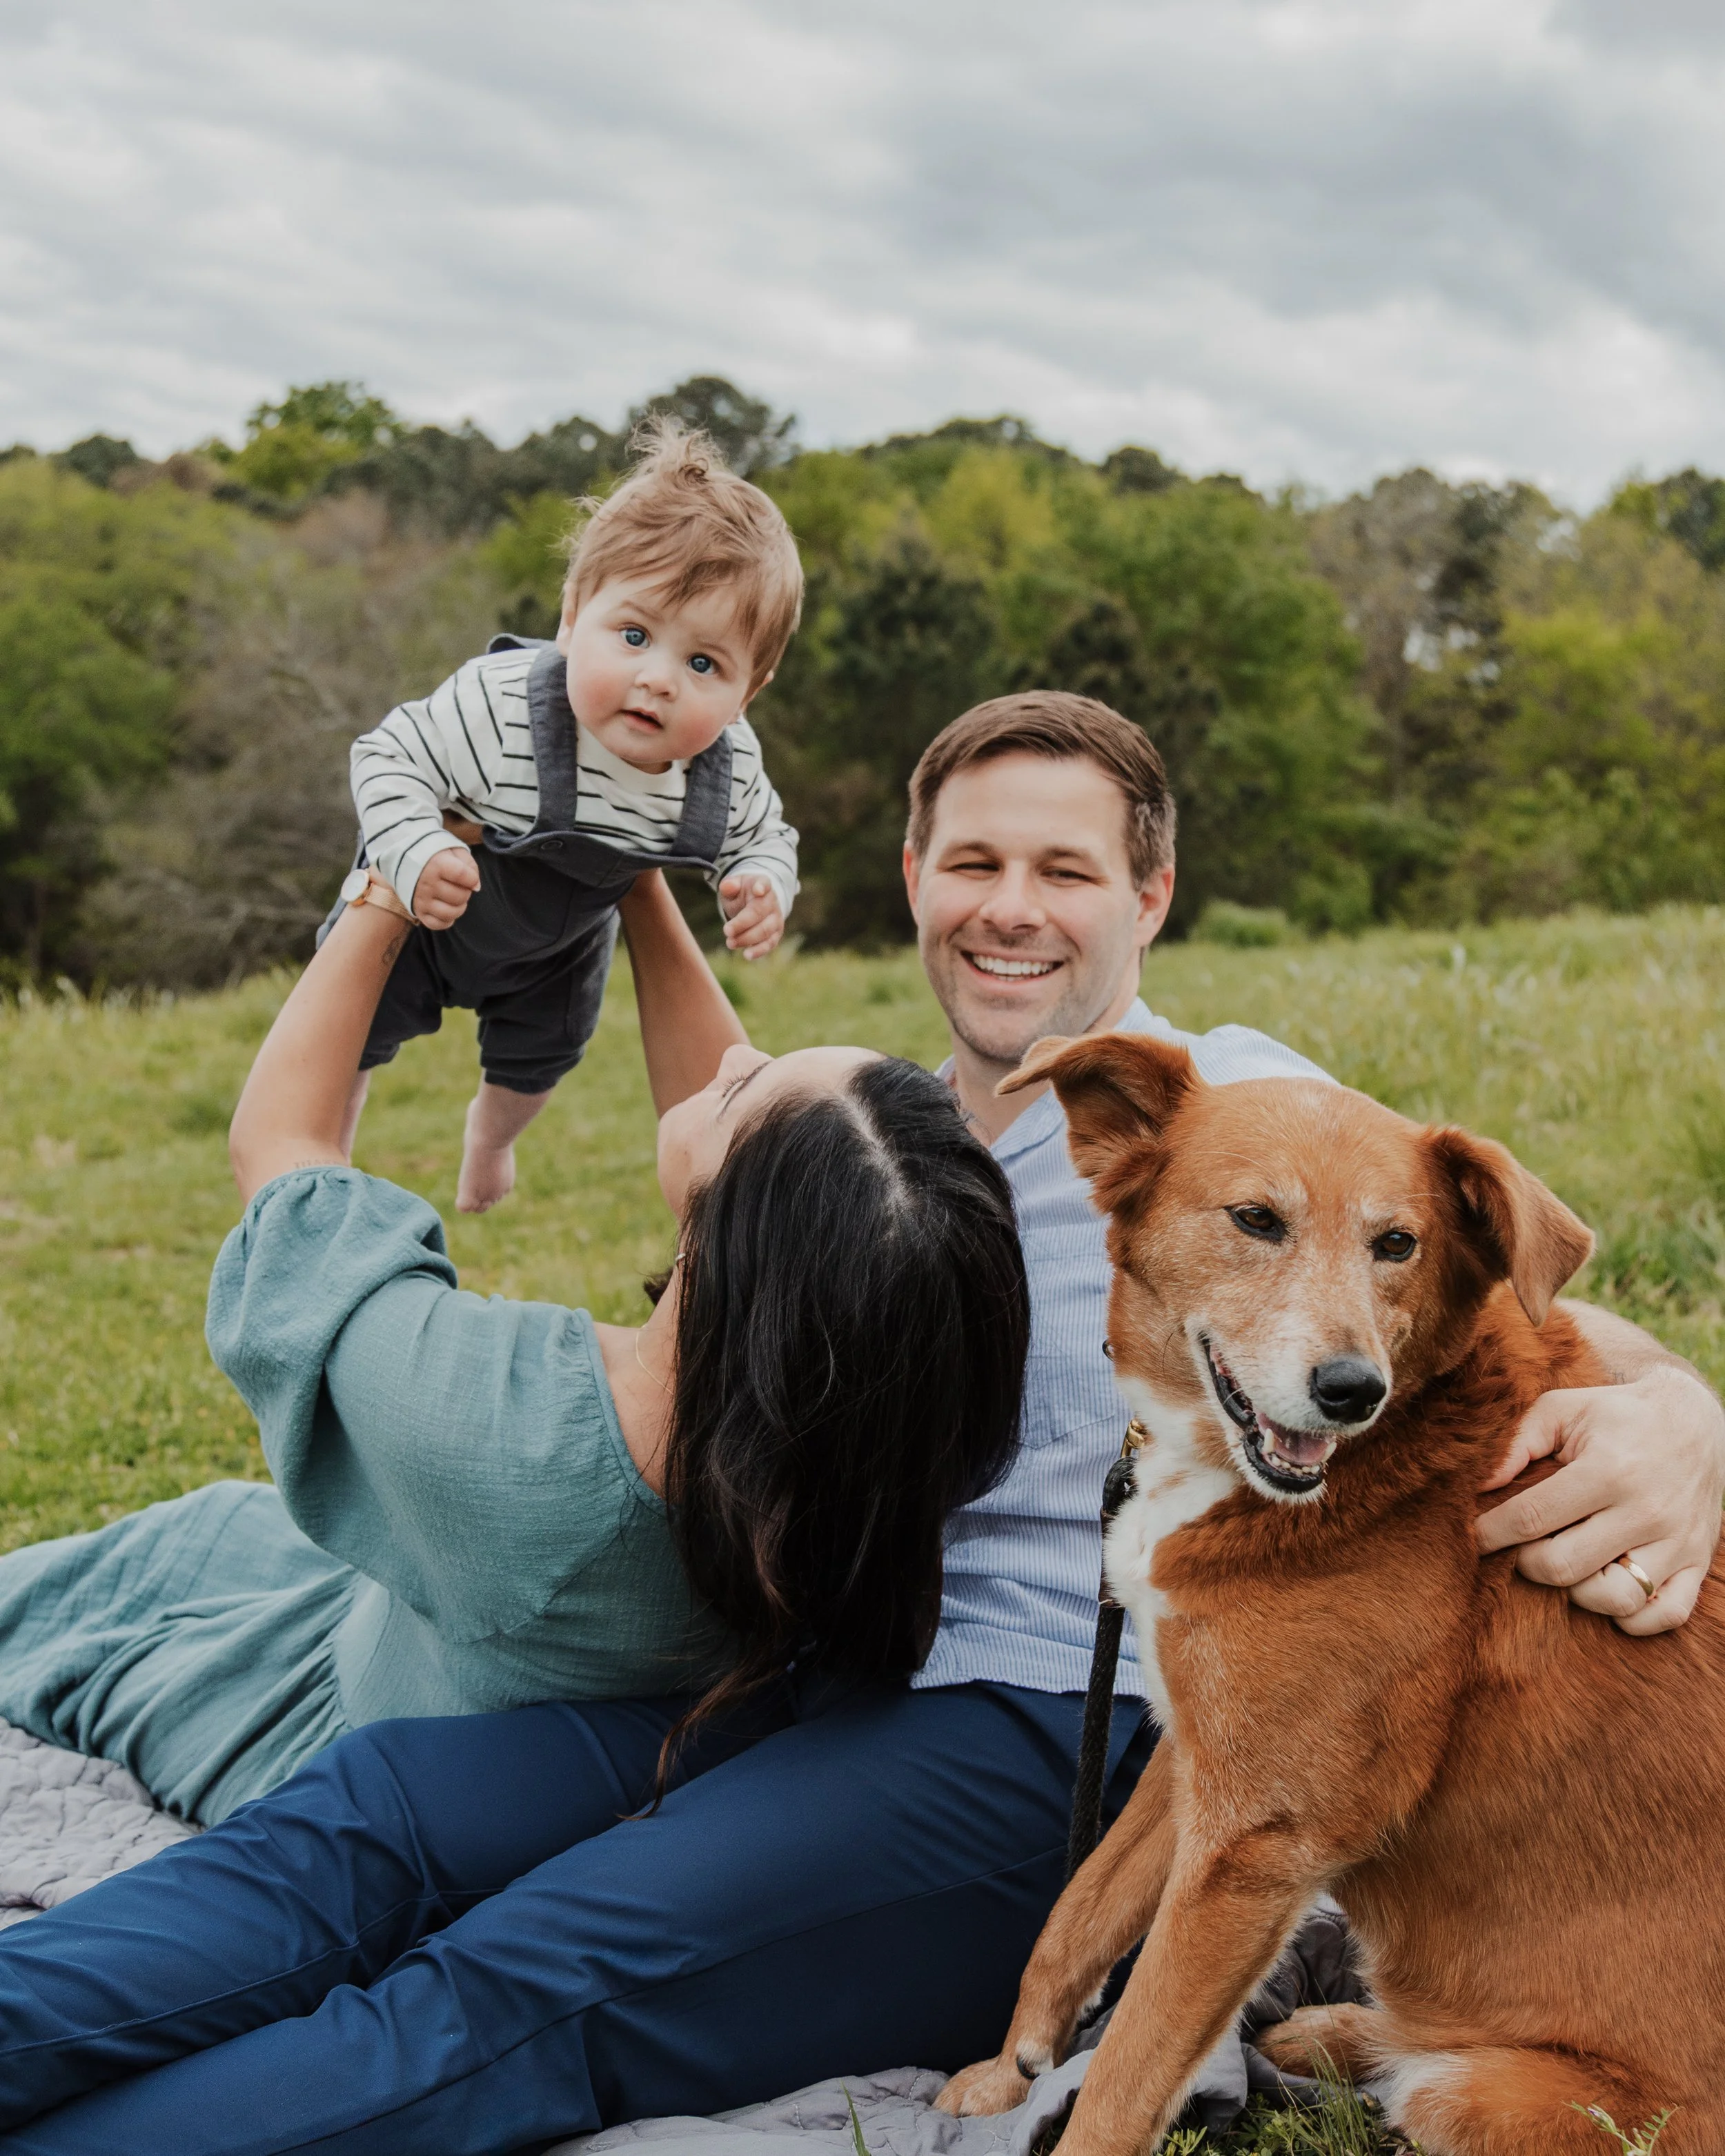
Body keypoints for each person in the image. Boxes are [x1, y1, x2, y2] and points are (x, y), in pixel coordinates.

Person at [0, 696, 1718, 2155]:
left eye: (1065, 869)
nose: (1012, 909)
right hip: (838, 1674)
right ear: (912, 881)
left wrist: (1682, 1414)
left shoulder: (1235, 1105)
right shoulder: (895, 1140)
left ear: (1153, 893)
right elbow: (718, 1095)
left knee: (522, 1982)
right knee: (376, 1813)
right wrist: (626, 877)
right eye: (972, 862)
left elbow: (1489, 1310)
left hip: (1047, 1741)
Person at [0, 871, 1027, 1827]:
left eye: (740, 1092)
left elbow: (284, 1150)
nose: (734, 1056)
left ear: (733, 1234)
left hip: (330, 1732)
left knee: (100, 1589)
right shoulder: (864, 1435)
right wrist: (635, 881)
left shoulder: (501, 1432)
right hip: (469, 1643)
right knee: (225, 1522)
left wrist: (386, 886)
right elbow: (775, 1178)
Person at [336, 417, 802, 1213]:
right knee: (347, 1038)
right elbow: (385, 755)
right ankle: (327, 1162)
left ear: (745, 695)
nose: (657, 678)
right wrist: (413, 848)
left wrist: (762, 881)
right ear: (569, 620)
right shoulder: (502, 707)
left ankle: (490, 1138)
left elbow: (766, 834)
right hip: (424, 903)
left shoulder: (723, 767)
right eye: (632, 634)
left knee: (539, 1064)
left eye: (702, 663)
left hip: (561, 942)